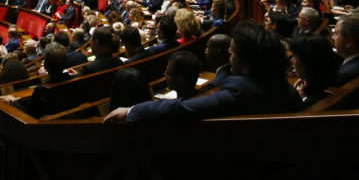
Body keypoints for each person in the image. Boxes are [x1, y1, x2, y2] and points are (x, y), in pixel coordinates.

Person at [104, 22, 301, 122]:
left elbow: (183, 108)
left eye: (233, 51)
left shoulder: (241, 88)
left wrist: (132, 110)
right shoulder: (288, 89)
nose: (229, 53)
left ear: (247, 64)